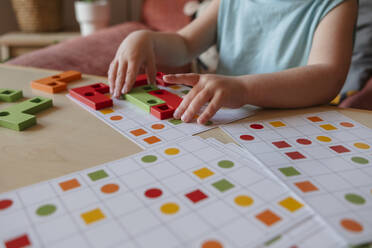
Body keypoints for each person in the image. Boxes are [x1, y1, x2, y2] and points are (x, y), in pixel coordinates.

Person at [108, 0, 358, 125]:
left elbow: (327, 77)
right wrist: (146, 40)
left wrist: (244, 89)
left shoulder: (337, 4)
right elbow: (185, 45)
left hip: (298, 127)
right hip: (227, 122)